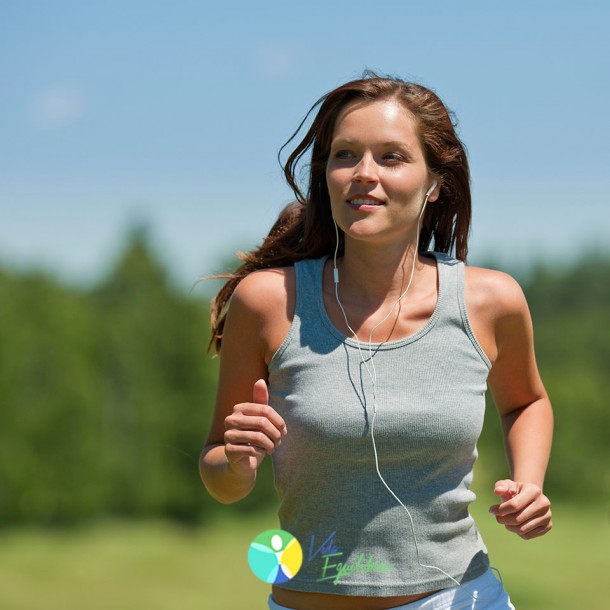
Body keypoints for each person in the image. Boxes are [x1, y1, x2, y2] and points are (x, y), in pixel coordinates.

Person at [200, 73, 553, 609]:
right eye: (346, 155)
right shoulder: (268, 302)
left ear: (435, 181)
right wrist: (237, 462)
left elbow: (526, 400)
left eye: (391, 157)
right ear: (327, 176)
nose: (364, 174)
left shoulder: (490, 301)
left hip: (458, 598)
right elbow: (221, 476)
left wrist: (529, 483)